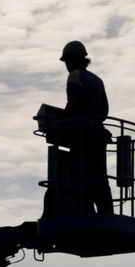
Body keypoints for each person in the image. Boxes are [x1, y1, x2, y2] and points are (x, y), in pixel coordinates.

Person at [56, 40, 112, 214]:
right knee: (99, 177)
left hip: (82, 136)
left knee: (80, 176)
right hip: (97, 134)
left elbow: (74, 105)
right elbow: (104, 109)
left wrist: (61, 121)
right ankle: (106, 213)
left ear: (70, 61)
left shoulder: (74, 76)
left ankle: (84, 211)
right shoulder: (97, 79)